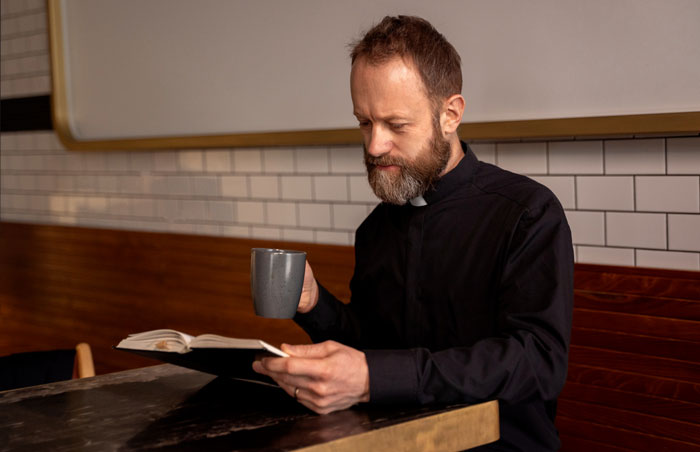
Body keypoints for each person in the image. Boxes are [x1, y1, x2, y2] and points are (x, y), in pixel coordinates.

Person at [253, 15, 573, 451]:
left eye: (395, 125)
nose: (373, 145)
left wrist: (373, 378)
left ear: (451, 114)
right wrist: (313, 304)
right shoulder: (375, 229)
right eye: (364, 123)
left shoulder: (528, 213)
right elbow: (370, 347)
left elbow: (536, 362)